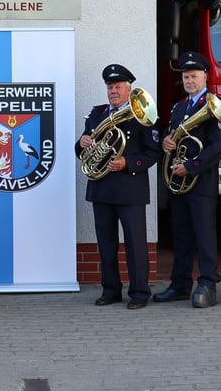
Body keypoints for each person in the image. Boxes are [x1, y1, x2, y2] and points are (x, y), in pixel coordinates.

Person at [75, 64, 158, 310]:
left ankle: (140, 293)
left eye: (118, 87)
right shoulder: (96, 114)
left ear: (128, 89)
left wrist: (127, 163)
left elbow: (152, 153)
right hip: (101, 189)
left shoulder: (142, 115)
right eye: (110, 87)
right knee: (106, 244)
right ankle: (110, 290)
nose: (113, 91)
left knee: (135, 245)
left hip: (130, 189)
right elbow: (83, 152)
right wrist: (82, 143)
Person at [154, 52, 221, 308]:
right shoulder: (179, 107)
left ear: (205, 77)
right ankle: (180, 284)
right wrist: (166, 141)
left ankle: (208, 284)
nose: (189, 81)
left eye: (194, 76)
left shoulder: (217, 104)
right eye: (186, 77)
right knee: (181, 235)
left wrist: (190, 167)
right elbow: (171, 135)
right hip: (179, 183)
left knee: (204, 236)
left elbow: (217, 146)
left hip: (201, 182)